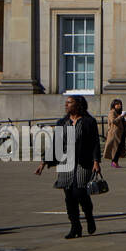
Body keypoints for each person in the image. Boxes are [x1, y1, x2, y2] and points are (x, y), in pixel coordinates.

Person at [34, 95, 102, 239]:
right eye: (66, 103)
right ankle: (75, 226)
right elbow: (55, 144)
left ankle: (89, 216)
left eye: (69, 103)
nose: (66, 105)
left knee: (80, 193)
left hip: (83, 163)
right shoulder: (62, 122)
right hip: (65, 163)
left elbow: (94, 142)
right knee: (69, 197)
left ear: (78, 105)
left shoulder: (89, 122)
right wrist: (43, 162)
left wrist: (96, 161)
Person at [103, 99, 126, 168]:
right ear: (114, 105)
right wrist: (121, 116)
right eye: (117, 104)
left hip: (120, 133)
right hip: (114, 133)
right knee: (115, 148)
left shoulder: (119, 112)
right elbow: (113, 121)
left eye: (120, 104)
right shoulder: (112, 112)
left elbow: (122, 123)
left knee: (119, 148)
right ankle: (114, 162)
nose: (119, 106)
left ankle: (115, 162)